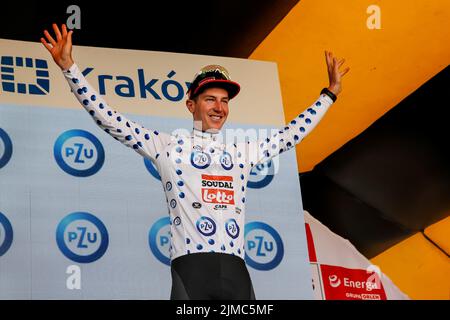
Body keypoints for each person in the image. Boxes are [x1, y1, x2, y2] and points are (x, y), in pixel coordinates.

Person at [41, 23, 350, 300]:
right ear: (191, 104)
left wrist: (329, 94)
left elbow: (290, 134)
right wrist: (69, 68)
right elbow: (111, 120)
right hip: (191, 271)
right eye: (210, 99)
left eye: (225, 101)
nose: (219, 107)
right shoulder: (167, 146)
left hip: (236, 273)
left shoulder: (242, 151)